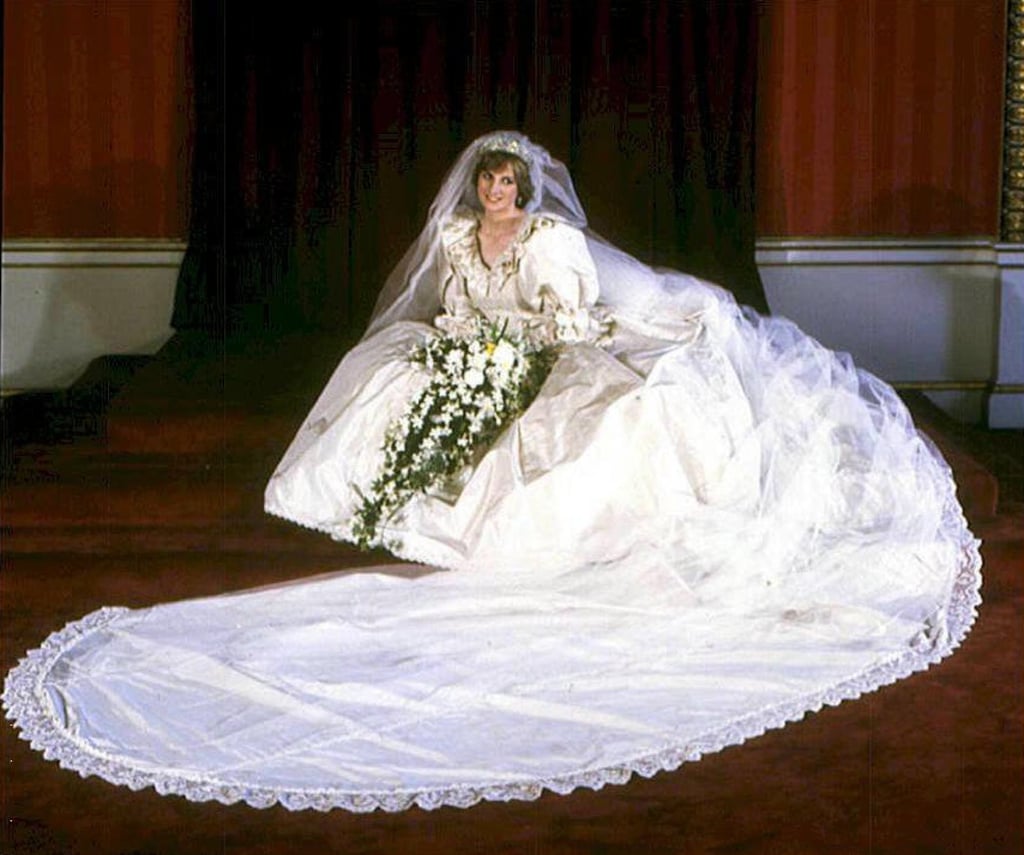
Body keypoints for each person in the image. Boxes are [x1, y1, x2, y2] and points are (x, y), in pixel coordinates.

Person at [3, 132, 981, 813]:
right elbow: (450, 306)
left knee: (596, 417)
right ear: (476, 192)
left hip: (597, 330)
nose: (498, 199)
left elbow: (565, 321)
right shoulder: (455, 238)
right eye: (488, 188)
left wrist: (510, 350)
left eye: (510, 187)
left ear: (529, 191)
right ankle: (395, 503)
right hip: (510, 342)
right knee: (396, 374)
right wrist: (466, 348)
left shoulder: (557, 243)